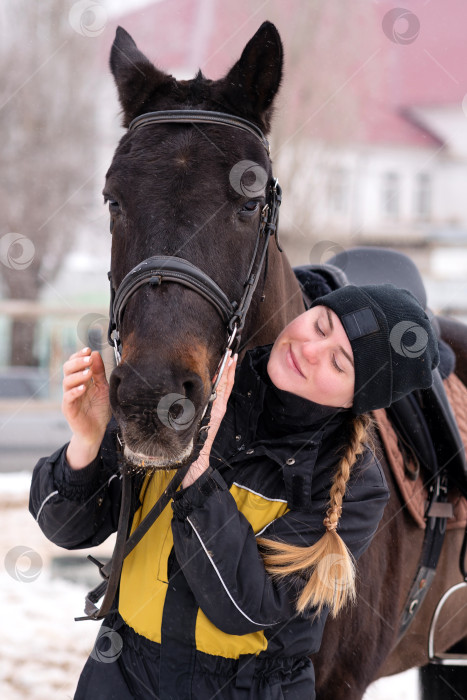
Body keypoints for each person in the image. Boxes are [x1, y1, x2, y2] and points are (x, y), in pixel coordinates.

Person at [29, 283, 439, 700]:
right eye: (320, 325)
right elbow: (65, 528)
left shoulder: (353, 486)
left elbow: (243, 607)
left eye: (339, 362)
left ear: (357, 398)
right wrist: (86, 440)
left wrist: (197, 465)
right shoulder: (191, 386)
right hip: (120, 679)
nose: (310, 350)